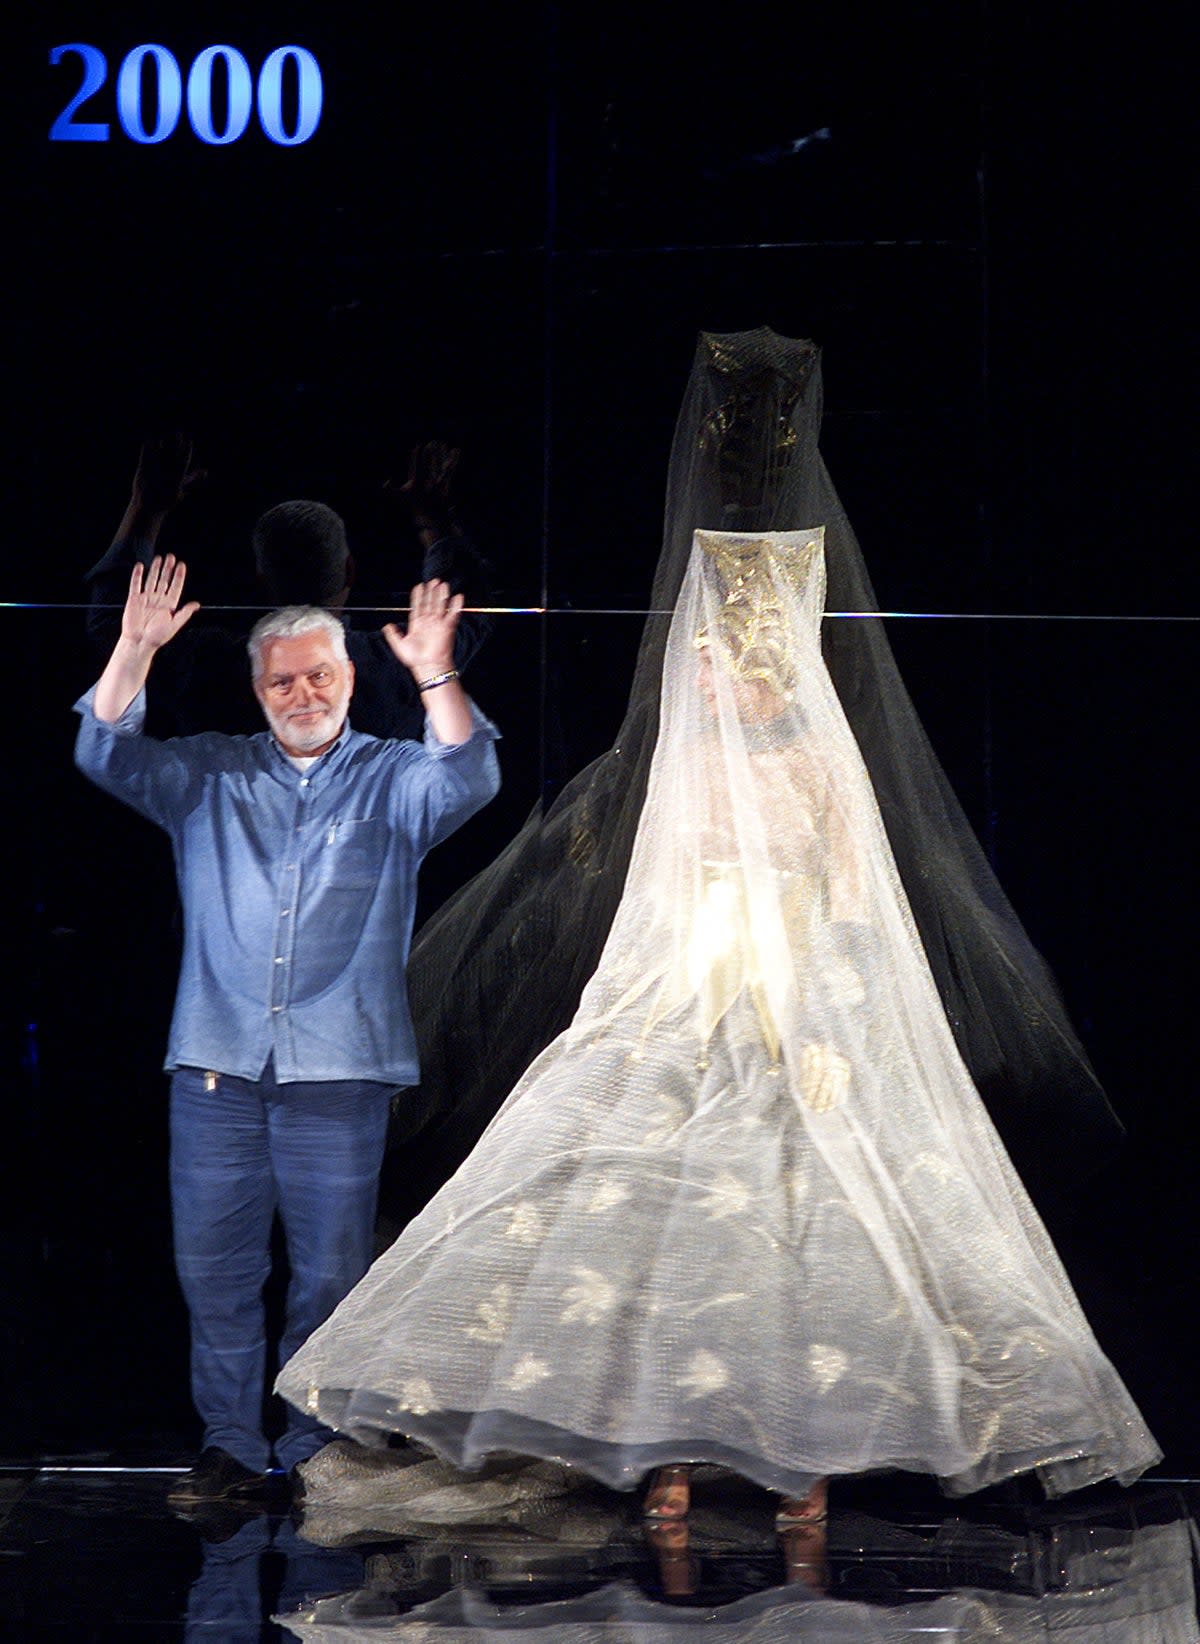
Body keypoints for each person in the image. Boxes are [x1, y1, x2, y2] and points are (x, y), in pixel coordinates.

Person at [277, 528, 1158, 1517]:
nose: (694, 679)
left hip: (792, 1006)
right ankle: (672, 1452)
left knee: (800, 1230)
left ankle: (803, 1457)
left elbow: (856, 913)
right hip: (690, 999)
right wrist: (649, 1003)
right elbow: (661, 905)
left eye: (710, 661)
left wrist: (829, 1025)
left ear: (758, 668)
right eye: (689, 661)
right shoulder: (687, 769)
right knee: (656, 1221)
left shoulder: (820, 771)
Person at [74, 555, 500, 1504]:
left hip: (339, 1078)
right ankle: (229, 1441)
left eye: (321, 676)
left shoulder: (393, 778)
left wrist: (436, 672)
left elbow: (469, 774)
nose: (302, 693)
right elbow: (104, 750)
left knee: (328, 1281)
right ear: (258, 688)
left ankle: (314, 1447)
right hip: (217, 1071)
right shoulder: (210, 774)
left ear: (350, 678)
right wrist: (135, 650)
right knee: (216, 1275)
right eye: (282, 680)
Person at [85, 434, 494, 739]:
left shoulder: (212, 664)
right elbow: (468, 606)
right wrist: (434, 520)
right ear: (350, 571)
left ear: (260, 578)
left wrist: (145, 509)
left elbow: (113, 630)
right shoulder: (398, 663)